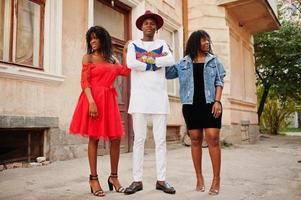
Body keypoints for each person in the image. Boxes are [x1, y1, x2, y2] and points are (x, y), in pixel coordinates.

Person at [69, 26, 130, 197]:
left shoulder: (112, 60)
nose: (93, 41)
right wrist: (91, 102)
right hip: (92, 99)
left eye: (96, 38)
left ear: (103, 39)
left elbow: (125, 72)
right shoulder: (88, 58)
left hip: (109, 100)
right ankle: (93, 179)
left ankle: (114, 177)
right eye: (90, 39)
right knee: (94, 138)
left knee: (116, 139)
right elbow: (84, 82)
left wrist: (126, 51)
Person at [166, 30, 226, 195]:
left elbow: (219, 81)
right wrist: (166, 54)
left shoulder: (214, 61)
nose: (207, 43)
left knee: (213, 139)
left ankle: (216, 179)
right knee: (195, 140)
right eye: (203, 41)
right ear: (195, 43)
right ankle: (199, 178)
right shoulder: (183, 62)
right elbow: (167, 73)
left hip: (211, 105)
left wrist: (217, 101)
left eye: (208, 40)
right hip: (191, 106)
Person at [124, 10, 176, 195]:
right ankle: (137, 181)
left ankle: (161, 180)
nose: (149, 26)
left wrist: (145, 60)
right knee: (139, 140)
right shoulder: (133, 44)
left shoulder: (162, 43)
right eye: (146, 23)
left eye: (152, 23)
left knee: (160, 141)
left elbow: (170, 60)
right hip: (139, 99)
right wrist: (155, 63)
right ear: (141, 26)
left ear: (156, 27)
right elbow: (131, 63)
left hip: (159, 98)